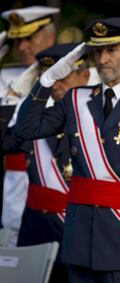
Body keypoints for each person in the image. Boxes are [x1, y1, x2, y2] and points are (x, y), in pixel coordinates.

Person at [13, 17, 120, 283]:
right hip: (78, 236)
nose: (103, 58)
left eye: (112, 50)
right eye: (98, 51)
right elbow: (27, 129)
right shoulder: (76, 99)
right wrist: (47, 79)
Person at [2, 43, 91, 283]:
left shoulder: (97, 116)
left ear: (84, 75)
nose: (56, 85)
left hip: (73, 223)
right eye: (50, 78)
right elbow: (5, 143)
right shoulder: (36, 119)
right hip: (34, 224)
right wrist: (11, 98)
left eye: (62, 76)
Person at [0, 5, 59, 244]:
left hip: (60, 184)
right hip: (17, 184)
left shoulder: (80, 75)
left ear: (51, 36)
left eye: (30, 38)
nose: (22, 47)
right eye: (17, 41)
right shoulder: (5, 76)